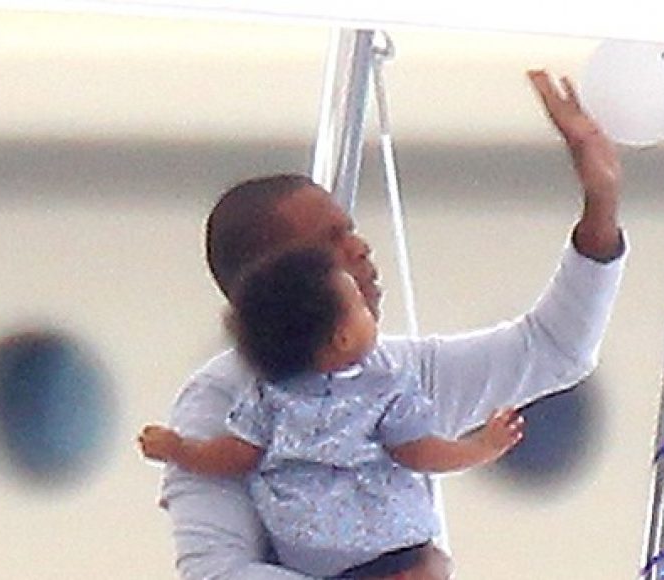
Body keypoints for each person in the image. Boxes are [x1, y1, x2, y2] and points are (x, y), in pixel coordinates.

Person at [159, 69, 626, 580]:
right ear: (272, 279)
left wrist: (601, 204)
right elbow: (215, 573)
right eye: (331, 242)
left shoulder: (398, 370)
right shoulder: (218, 399)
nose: (360, 248)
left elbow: (556, 350)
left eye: (351, 231)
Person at [141, 248, 524, 578]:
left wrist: (179, 449)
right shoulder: (384, 385)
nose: (370, 311)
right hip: (389, 544)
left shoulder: (267, 397)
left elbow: (234, 455)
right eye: (360, 305)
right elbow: (419, 452)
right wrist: (481, 448)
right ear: (342, 338)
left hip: (308, 554)